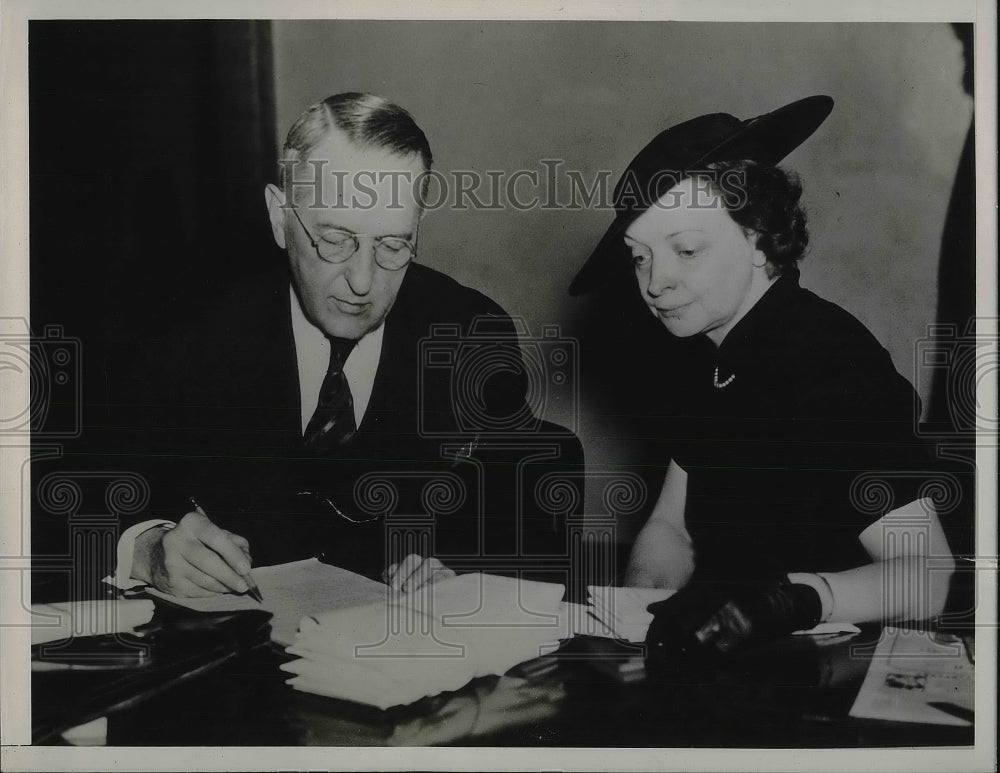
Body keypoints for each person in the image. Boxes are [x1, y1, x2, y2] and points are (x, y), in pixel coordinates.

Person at [110, 92, 580, 598]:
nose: (362, 281)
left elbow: (527, 529)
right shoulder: (189, 328)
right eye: (335, 239)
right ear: (279, 216)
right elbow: (80, 486)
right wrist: (145, 548)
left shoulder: (469, 337)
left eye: (393, 245)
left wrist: (465, 580)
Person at [569, 96, 955, 658]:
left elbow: (930, 576)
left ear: (755, 237)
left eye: (686, 249)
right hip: (733, 652)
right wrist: (636, 613)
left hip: (835, 663)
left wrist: (790, 602)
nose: (655, 283)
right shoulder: (704, 356)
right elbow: (672, 530)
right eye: (640, 257)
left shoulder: (829, 357)